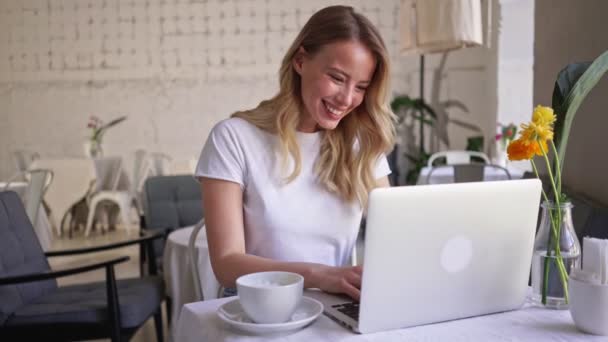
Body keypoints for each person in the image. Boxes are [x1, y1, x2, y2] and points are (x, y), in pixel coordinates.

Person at [195, 5, 395, 301]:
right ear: (301, 61)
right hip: (257, 309)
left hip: (334, 306)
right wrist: (321, 275)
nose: (347, 98)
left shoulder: (361, 145)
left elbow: (395, 235)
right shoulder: (234, 138)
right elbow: (226, 265)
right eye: (337, 78)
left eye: (361, 86)